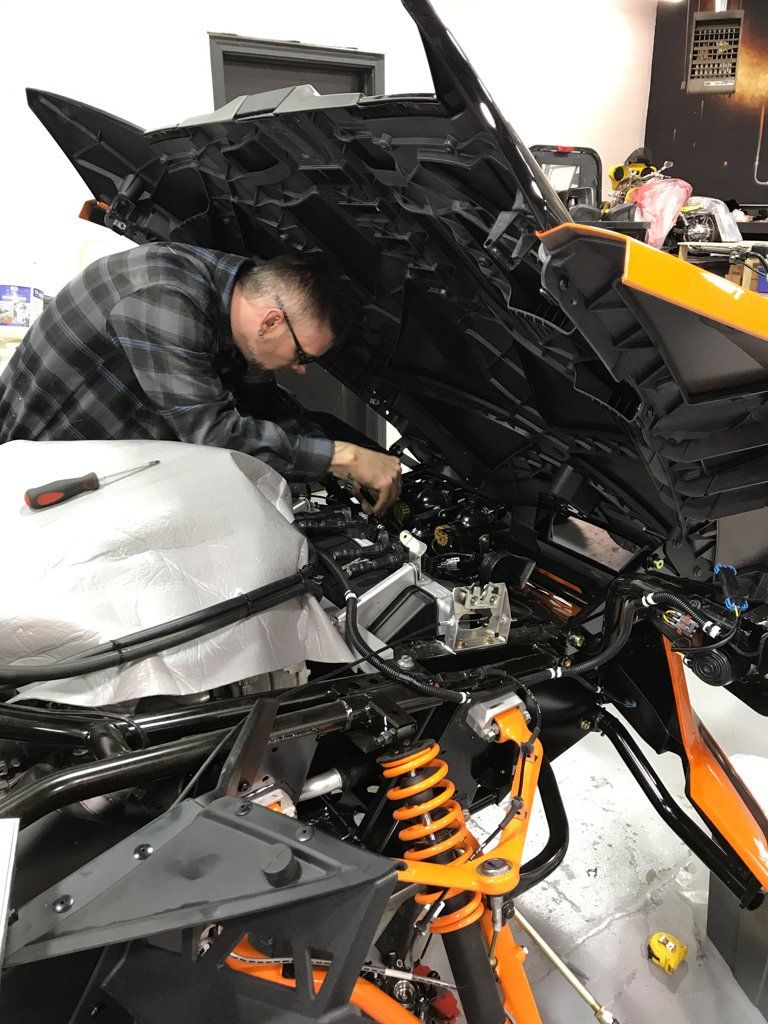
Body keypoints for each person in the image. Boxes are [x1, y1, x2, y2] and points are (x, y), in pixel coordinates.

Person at [0, 243, 402, 512]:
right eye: (302, 355)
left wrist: (345, 458)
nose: (300, 368)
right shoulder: (166, 296)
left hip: (97, 471)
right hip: (30, 483)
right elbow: (215, 438)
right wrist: (340, 458)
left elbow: (263, 405)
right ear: (271, 322)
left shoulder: (232, 304)